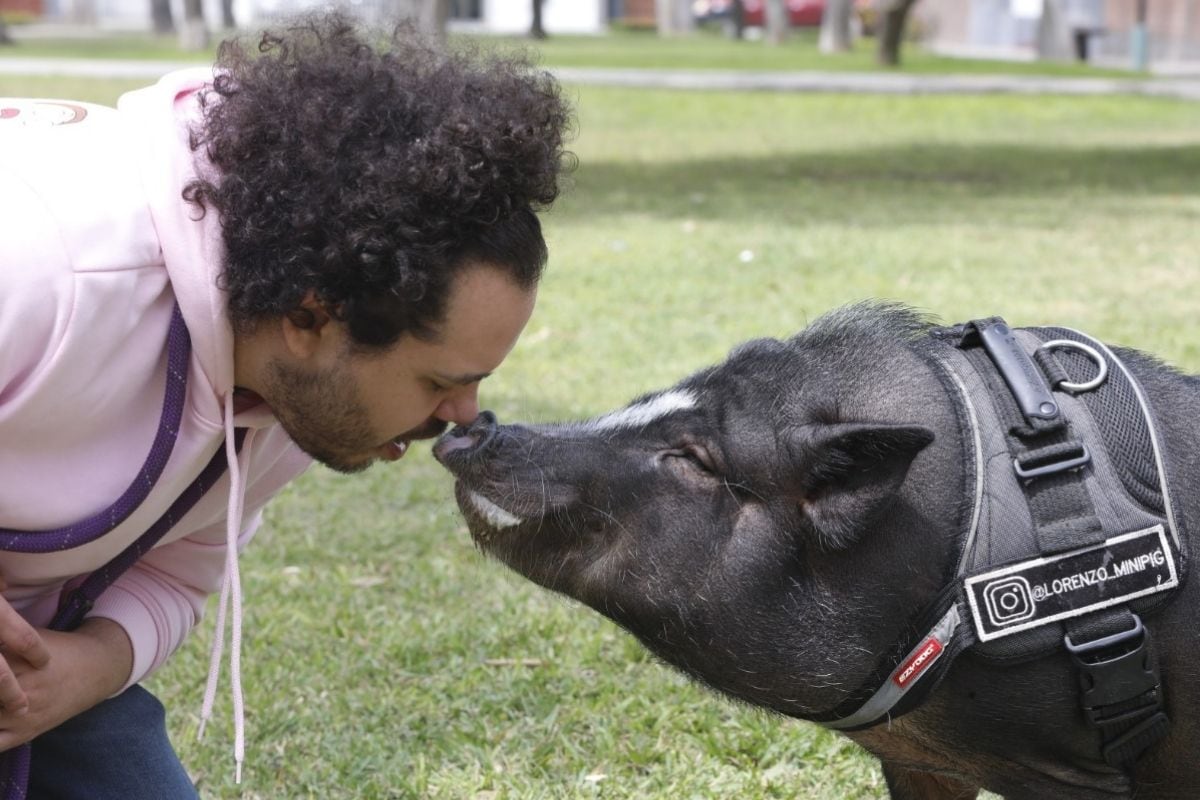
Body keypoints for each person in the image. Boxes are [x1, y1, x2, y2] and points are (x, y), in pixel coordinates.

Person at [0, 12, 572, 797]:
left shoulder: (291, 391)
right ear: (310, 318)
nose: (465, 415)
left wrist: (87, 668)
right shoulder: (49, 261)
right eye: (439, 381)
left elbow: (178, 571)